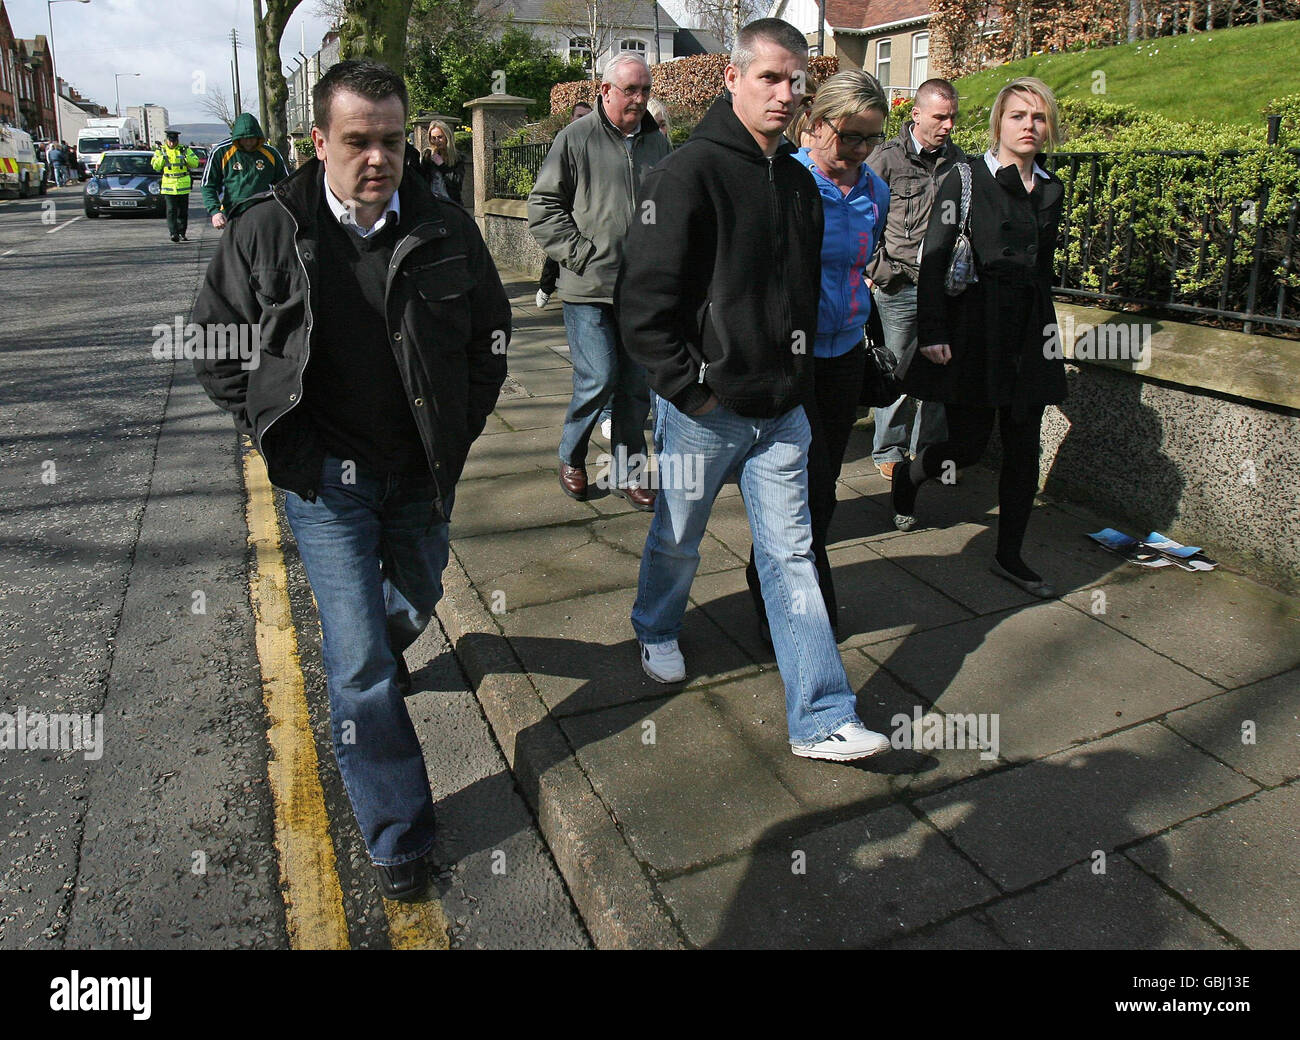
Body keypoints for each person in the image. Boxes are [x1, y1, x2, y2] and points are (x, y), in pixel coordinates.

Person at [191, 59, 510, 902]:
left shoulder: (445, 225)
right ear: (319, 141)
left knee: (416, 594)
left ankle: (376, 652)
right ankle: (400, 833)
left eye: (393, 141)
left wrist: (464, 422)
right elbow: (215, 340)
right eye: (358, 141)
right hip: (325, 482)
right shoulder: (267, 228)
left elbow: (491, 336)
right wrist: (268, 429)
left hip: (418, 471)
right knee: (361, 663)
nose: (378, 158)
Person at [618, 18, 893, 763]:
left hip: (784, 410)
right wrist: (693, 390)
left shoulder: (801, 183)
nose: (785, 92)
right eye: (770, 76)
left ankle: (821, 715)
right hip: (706, 411)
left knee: (792, 555)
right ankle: (656, 626)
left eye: (795, 80)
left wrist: (800, 383)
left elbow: (803, 298)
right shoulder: (685, 174)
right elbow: (643, 309)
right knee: (678, 537)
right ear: (731, 77)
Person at [891, 76, 1067, 598]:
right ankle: (911, 475)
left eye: (1038, 117)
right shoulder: (966, 178)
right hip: (976, 327)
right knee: (966, 445)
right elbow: (935, 258)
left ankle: (1010, 554)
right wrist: (933, 330)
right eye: (1018, 116)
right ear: (999, 122)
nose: (1029, 126)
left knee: (1023, 447)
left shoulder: (1053, 188)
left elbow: (1044, 267)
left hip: (1030, 332)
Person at [743, 70, 890, 643]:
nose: (858, 150)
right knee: (796, 483)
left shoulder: (871, 187)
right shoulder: (788, 179)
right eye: (850, 136)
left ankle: (773, 579)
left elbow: (861, 262)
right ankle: (792, 600)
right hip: (792, 357)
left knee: (822, 484)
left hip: (846, 351)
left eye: (870, 139)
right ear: (817, 122)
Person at [528, 54, 670, 512]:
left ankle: (628, 472)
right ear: (605, 90)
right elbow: (542, 209)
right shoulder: (575, 138)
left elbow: (670, 208)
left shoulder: (657, 144)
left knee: (634, 387)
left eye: (645, 89)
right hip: (588, 290)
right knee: (598, 378)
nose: (640, 98)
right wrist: (583, 255)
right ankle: (571, 455)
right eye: (630, 90)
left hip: (640, 291)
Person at [866, 79, 964, 480]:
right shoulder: (887, 159)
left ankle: (927, 454)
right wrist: (882, 272)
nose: (948, 125)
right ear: (916, 114)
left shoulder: (960, 163)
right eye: (940, 117)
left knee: (939, 373)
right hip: (900, 285)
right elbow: (862, 221)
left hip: (942, 289)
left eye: (953, 117)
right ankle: (888, 448)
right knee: (899, 371)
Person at [536, 101, 594, 310]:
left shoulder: (596, 142)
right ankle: (545, 287)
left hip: (585, 212)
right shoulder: (564, 141)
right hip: (565, 209)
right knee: (556, 254)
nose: (583, 120)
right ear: (571, 118)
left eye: (588, 116)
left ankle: (547, 287)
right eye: (579, 116)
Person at [201, 113, 289, 229]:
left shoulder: (271, 154)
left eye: (252, 138)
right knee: (236, 247)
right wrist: (215, 212)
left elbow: (285, 185)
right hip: (232, 214)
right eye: (244, 139)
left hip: (264, 214)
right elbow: (208, 185)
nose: (248, 142)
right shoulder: (221, 152)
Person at [152, 129, 199, 242]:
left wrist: (187, 158)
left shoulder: (184, 150)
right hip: (168, 185)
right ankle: (173, 233)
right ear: (167, 140)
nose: (172, 143)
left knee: (182, 211)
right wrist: (162, 158)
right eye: (170, 141)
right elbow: (155, 166)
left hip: (182, 185)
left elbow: (195, 163)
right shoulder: (161, 151)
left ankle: (182, 232)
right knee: (171, 210)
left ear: (177, 140)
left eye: (174, 141)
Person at [420, 119, 465, 205]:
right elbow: (422, 180)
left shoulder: (457, 157)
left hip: (451, 204)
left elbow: (457, 184)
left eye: (440, 137)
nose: (437, 141)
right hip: (432, 204)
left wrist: (442, 165)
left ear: (447, 137)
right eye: (433, 138)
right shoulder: (428, 155)